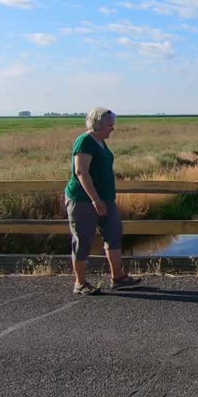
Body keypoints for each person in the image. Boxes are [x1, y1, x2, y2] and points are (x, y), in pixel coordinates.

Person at [64, 107, 140, 294]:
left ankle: (118, 277)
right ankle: (80, 283)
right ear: (98, 124)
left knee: (114, 233)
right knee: (83, 239)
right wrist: (96, 201)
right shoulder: (85, 141)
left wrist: (104, 200)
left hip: (105, 199)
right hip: (84, 201)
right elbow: (81, 172)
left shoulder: (100, 142)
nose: (112, 128)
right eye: (110, 124)